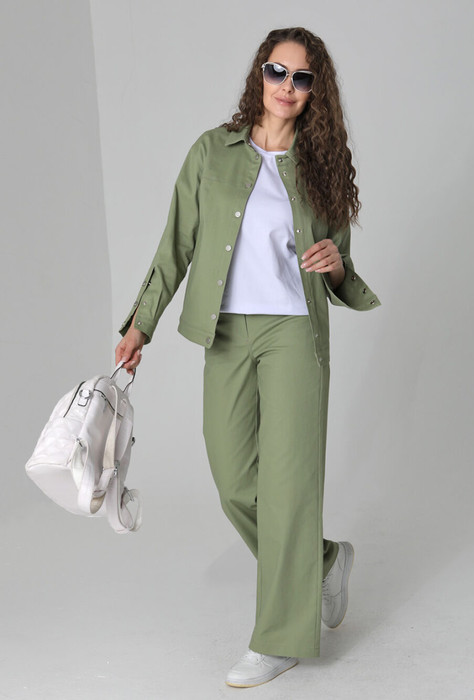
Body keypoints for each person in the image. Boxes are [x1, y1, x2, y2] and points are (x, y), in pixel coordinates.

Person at [115, 26, 380, 688]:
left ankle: (278, 638)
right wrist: (141, 325)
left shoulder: (321, 166)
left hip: (293, 333)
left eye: (301, 77)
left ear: (316, 91)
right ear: (259, 74)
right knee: (234, 480)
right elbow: (175, 244)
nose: (287, 86)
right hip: (226, 331)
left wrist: (334, 263)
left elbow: (340, 267)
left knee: (289, 486)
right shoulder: (212, 151)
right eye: (276, 71)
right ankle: (322, 562)